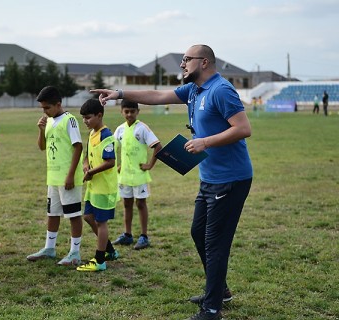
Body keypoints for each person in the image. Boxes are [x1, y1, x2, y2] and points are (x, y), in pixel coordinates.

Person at [91, 44, 253, 320]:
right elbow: (156, 95)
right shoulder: (193, 90)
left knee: (215, 242)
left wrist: (204, 141)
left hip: (231, 179)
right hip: (209, 178)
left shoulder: (221, 89)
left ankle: (212, 308)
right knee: (198, 232)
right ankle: (219, 290)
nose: (182, 64)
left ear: (204, 62)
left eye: (186, 59)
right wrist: (119, 93)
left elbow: (243, 128)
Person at [26, 86, 84, 266]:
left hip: (68, 178)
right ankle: (49, 248)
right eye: (43, 108)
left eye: (47, 108)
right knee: (52, 213)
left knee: (73, 215)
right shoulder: (49, 121)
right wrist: (41, 130)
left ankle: (75, 252)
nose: (44, 111)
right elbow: (42, 147)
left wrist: (71, 175)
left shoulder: (70, 120)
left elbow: (78, 146)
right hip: (53, 177)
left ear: (58, 104)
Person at [76, 99, 120, 272]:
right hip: (94, 186)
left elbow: (110, 162)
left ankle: (100, 260)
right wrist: (86, 165)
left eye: (88, 117)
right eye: (83, 118)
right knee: (88, 217)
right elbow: (87, 155)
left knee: (101, 223)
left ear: (99, 115)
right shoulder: (92, 134)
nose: (85, 121)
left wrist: (91, 173)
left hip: (104, 188)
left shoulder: (106, 135)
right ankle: (110, 251)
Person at [112, 99, 162, 250]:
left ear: (137, 112)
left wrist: (150, 165)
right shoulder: (119, 130)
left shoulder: (142, 128)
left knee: (140, 204)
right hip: (125, 175)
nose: (129, 114)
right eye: (126, 111)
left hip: (139, 175)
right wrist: (121, 165)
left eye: (132, 111)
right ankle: (127, 235)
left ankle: (144, 236)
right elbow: (115, 148)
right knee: (126, 204)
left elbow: (158, 146)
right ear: (121, 112)